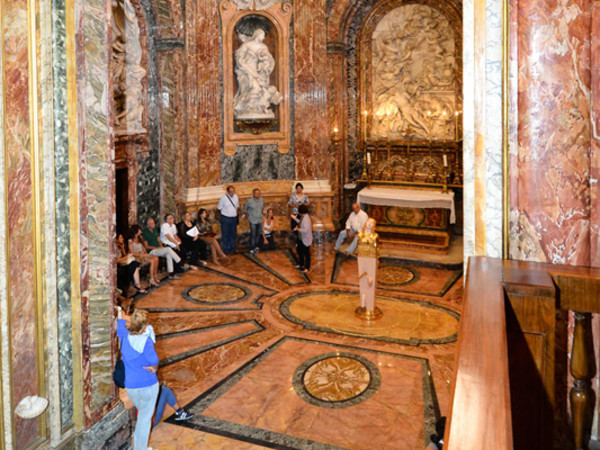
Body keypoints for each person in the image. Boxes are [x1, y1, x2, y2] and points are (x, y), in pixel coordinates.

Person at [117, 309, 159, 449]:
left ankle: (139, 440)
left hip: (131, 387)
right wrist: (155, 368)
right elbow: (154, 360)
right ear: (143, 327)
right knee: (144, 419)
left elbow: (119, 322)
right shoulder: (145, 342)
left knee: (142, 416)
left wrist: (131, 317)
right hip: (147, 385)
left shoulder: (124, 337)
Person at [233, 27, 281, 119]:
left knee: (261, 89)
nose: (263, 38)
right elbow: (239, 57)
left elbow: (269, 60)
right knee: (254, 88)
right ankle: (245, 107)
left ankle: (258, 107)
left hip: (257, 70)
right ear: (257, 35)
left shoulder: (263, 47)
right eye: (262, 35)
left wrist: (265, 65)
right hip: (246, 71)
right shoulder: (247, 45)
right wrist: (246, 68)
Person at [217, 185, 240, 255]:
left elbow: (237, 206)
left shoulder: (236, 197)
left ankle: (233, 249)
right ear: (227, 192)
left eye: (233, 192)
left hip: (234, 218)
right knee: (225, 234)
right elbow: (219, 208)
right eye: (230, 192)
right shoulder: (223, 198)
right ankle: (225, 249)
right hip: (226, 218)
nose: (232, 193)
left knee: (233, 234)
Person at [291, 204, 312, 272]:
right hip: (301, 238)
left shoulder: (307, 219)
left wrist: (298, 229)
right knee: (299, 251)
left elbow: (306, 230)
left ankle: (307, 267)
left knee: (306, 253)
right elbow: (300, 222)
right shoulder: (304, 216)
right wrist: (295, 218)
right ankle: (301, 264)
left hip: (305, 238)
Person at [243, 188, 264, 254]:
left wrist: (261, 214)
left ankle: (256, 247)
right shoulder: (249, 201)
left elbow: (262, 207)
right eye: (256, 193)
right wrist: (249, 215)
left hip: (259, 220)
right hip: (252, 220)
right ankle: (251, 248)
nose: (257, 195)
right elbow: (245, 209)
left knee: (258, 234)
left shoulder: (261, 200)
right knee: (253, 234)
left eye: (258, 193)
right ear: (253, 194)